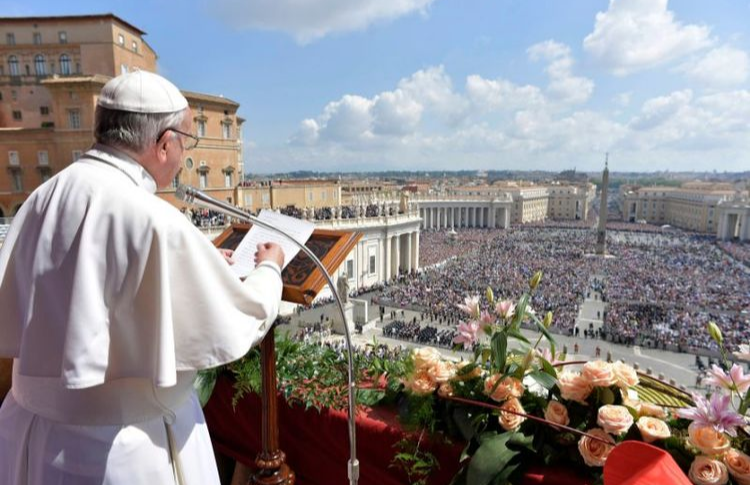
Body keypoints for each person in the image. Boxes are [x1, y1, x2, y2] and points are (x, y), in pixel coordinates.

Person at [0, 71, 285, 485]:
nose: (183, 153)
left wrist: (201, 265)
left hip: (30, 436)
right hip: (123, 452)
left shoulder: (44, 196)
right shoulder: (153, 217)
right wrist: (270, 268)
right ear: (163, 142)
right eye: (186, 141)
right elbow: (241, 318)